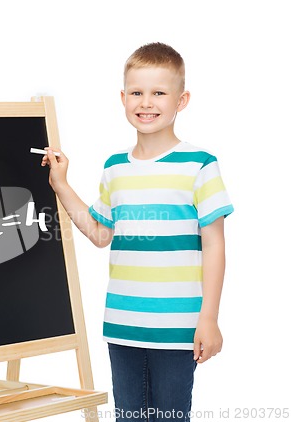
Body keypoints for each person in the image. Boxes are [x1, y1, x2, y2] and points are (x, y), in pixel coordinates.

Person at [40, 42, 233, 421]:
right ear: (123, 97)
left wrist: (208, 317)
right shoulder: (115, 167)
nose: (147, 102)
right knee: (128, 417)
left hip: (177, 329)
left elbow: (214, 244)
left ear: (182, 100)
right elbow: (98, 234)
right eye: (137, 93)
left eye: (159, 92)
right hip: (123, 326)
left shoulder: (200, 165)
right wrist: (61, 184)